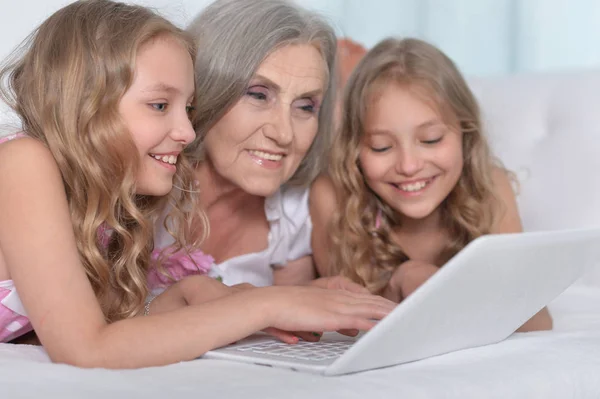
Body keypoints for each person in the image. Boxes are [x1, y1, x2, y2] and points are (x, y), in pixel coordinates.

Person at [0, 0, 394, 367]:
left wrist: (192, 297)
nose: (188, 131)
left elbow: (93, 328)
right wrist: (268, 304)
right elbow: (85, 347)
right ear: (87, 104)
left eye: (188, 108)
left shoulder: (109, 201)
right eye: (159, 105)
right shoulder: (23, 162)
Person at [310, 37, 552, 332]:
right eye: (381, 147)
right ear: (353, 150)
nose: (409, 166)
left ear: (465, 133)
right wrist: (400, 281)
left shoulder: (490, 187)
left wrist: (436, 286)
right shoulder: (332, 197)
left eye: (431, 140)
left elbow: (537, 320)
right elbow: (347, 324)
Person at [152, 0, 365, 294]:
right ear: (204, 90)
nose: (284, 134)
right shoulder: (137, 188)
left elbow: (289, 330)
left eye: (305, 106)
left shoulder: (293, 218)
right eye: (259, 95)